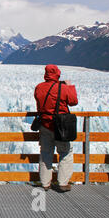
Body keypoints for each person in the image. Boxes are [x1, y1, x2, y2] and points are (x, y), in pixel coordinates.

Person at [34, 64, 78, 192]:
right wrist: (69, 86)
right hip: (61, 126)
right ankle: (63, 183)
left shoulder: (39, 87)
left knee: (46, 153)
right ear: (57, 73)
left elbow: (38, 100)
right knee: (65, 152)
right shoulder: (63, 88)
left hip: (45, 125)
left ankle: (45, 183)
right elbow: (73, 101)